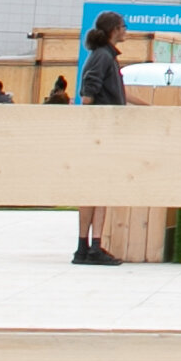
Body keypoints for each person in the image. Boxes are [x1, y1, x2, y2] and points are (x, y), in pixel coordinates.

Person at [71, 14, 131, 266]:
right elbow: (89, 89)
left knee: (93, 188)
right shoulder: (103, 56)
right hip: (101, 133)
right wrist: (92, 117)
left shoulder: (104, 56)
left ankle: (85, 247)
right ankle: (92, 246)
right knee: (99, 189)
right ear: (114, 29)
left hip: (100, 132)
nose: (126, 31)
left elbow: (114, 92)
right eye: (124, 27)